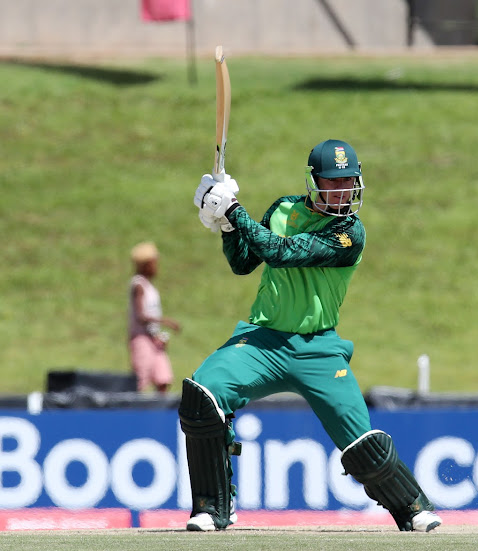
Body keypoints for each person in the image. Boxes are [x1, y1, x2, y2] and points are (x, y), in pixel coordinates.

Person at [179, 139, 442, 532]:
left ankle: (412, 507)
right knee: (203, 394)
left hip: (318, 349)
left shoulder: (350, 232)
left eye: (348, 182)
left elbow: (281, 252)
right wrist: (227, 226)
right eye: (332, 183)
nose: (342, 191)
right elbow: (242, 262)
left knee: (361, 445)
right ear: (313, 182)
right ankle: (214, 507)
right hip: (263, 340)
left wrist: (233, 208)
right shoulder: (284, 209)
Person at [128, 241, 181, 393]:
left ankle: (161, 414)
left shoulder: (149, 286)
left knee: (163, 378)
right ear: (146, 265)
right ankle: (135, 413)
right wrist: (165, 321)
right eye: (154, 263)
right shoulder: (138, 285)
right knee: (141, 380)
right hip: (142, 338)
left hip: (154, 338)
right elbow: (140, 316)